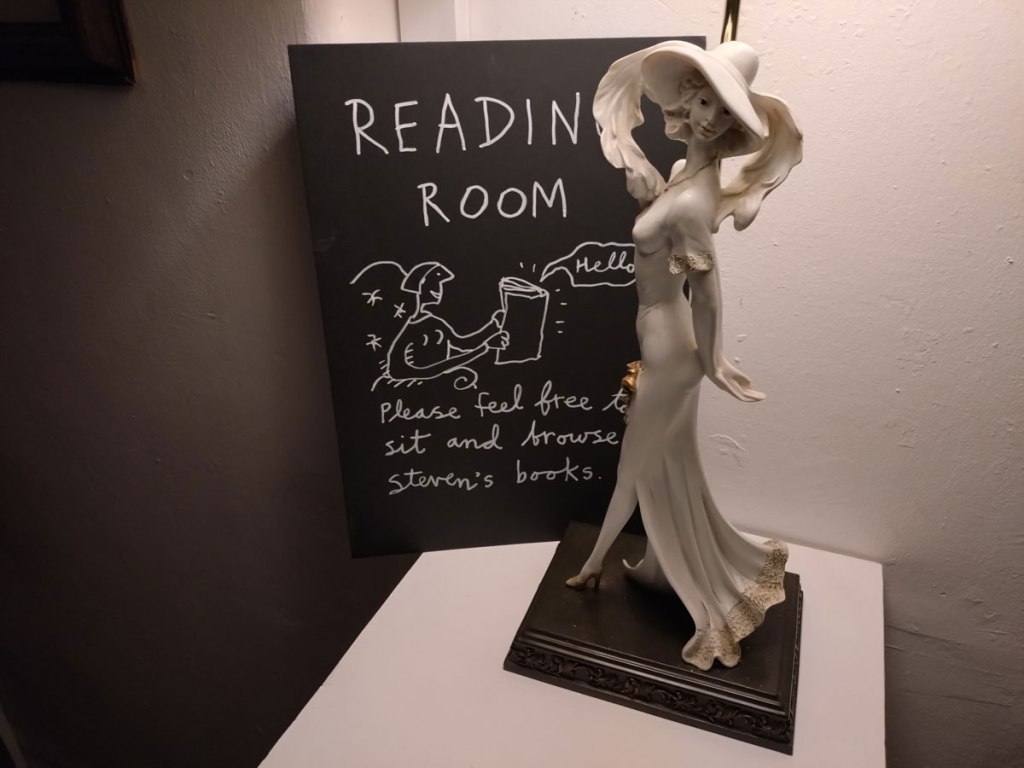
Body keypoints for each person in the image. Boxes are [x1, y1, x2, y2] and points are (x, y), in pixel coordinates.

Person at [564, 40, 802, 671]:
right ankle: (665, 567)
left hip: (671, 350)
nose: (710, 118)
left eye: (725, 113)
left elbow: (708, 290)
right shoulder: (682, 176)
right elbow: (661, 241)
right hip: (660, 341)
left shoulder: (696, 202)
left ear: (733, 128)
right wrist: (643, 185)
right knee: (664, 464)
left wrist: (714, 360)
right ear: (687, 101)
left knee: (634, 465)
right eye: (704, 103)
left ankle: (593, 566)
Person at [384, 262, 507, 389]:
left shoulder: (434, 322)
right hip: (420, 391)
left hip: (440, 387)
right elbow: (396, 371)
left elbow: (463, 344)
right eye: (434, 282)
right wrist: (484, 347)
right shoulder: (411, 329)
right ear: (421, 284)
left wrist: (493, 326)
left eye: (440, 284)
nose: (439, 289)